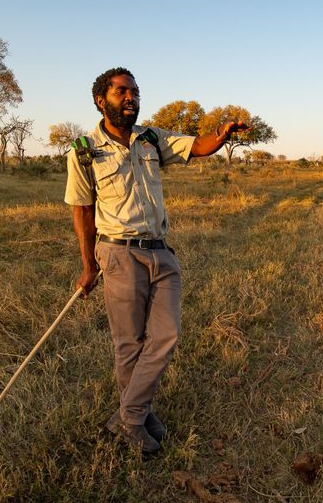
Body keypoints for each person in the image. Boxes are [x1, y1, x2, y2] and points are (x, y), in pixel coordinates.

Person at [64, 67, 248, 454]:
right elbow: (82, 210)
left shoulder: (151, 138)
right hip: (118, 252)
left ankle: (128, 417)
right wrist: (89, 266)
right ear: (101, 100)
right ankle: (138, 418)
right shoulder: (83, 150)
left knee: (166, 336)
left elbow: (195, 146)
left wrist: (221, 134)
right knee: (129, 343)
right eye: (121, 92)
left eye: (134, 91)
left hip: (160, 250)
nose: (130, 97)